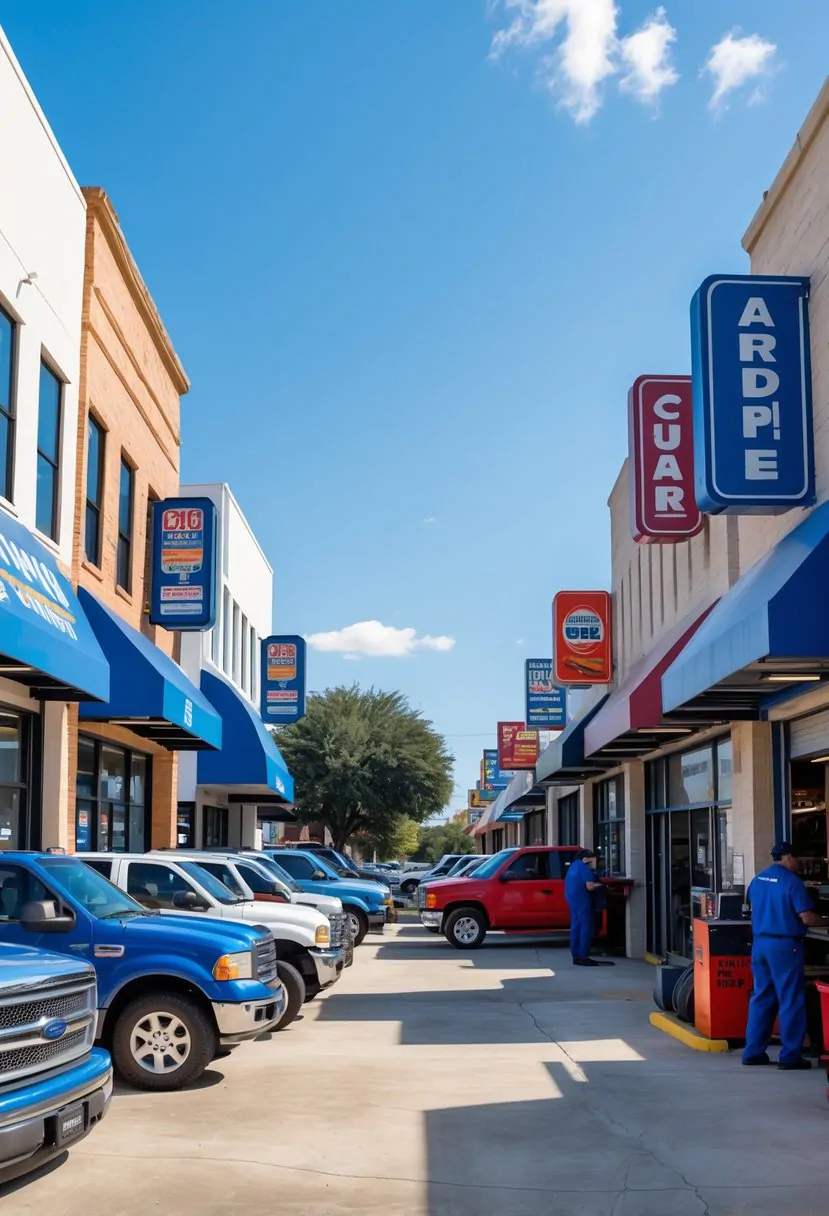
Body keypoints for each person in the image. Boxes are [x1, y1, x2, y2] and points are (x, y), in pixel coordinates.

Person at [742, 842, 829, 1070]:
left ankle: (753, 1052)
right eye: (798, 858)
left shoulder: (757, 880)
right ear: (788, 857)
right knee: (790, 999)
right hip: (784, 947)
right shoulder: (793, 883)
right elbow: (808, 918)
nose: (800, 864)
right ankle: (790, 1056)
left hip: (760, 945)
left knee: (762, 996)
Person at [565, 848, 614, 967]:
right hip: (583, 900)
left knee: (576, 927)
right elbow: (590, 887)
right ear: (586, 858)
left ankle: (576, 955)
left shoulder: (573, 866)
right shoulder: (584, 868)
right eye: (592, 859)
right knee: (586, 928)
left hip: (572, 900)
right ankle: (584, 956)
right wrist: (601, 886)